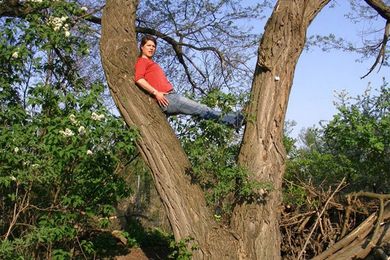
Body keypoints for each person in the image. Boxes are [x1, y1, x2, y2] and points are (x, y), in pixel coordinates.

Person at [134, 35, 244, 130]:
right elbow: (139, 79)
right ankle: (234, 119)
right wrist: (156, 93)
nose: (152, 48)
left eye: (153, 46)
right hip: (168, 99)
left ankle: (229, 122)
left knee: (200, 111)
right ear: (142, 47)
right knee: (202, 109)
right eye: (149, 45)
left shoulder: (151, 62)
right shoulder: (142, 61)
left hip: (170, 96)